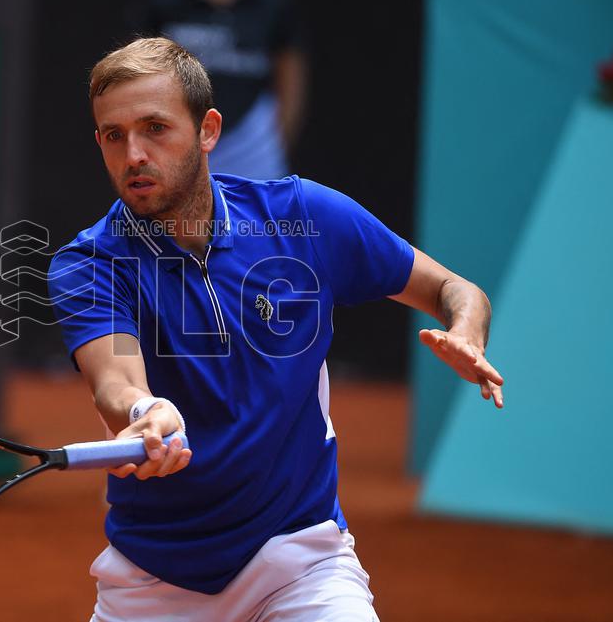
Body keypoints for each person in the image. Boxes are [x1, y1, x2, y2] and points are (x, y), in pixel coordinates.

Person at [47, 37, 503, 622]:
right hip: (153, 582)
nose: (133, 153)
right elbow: (115, 381)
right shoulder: (88, 263)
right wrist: (143, 413)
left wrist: (465, 331)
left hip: (300, 561)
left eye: (155, 128)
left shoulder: (304, 218)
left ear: (208, 130)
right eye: (114, 135)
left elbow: (454, 290)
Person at [131, 0, 306, 180]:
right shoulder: (163, 2)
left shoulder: (272, 4)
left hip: (253, 152)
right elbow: (140, 75)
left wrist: (273, 142)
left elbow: (291, 79)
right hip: (181, 147)